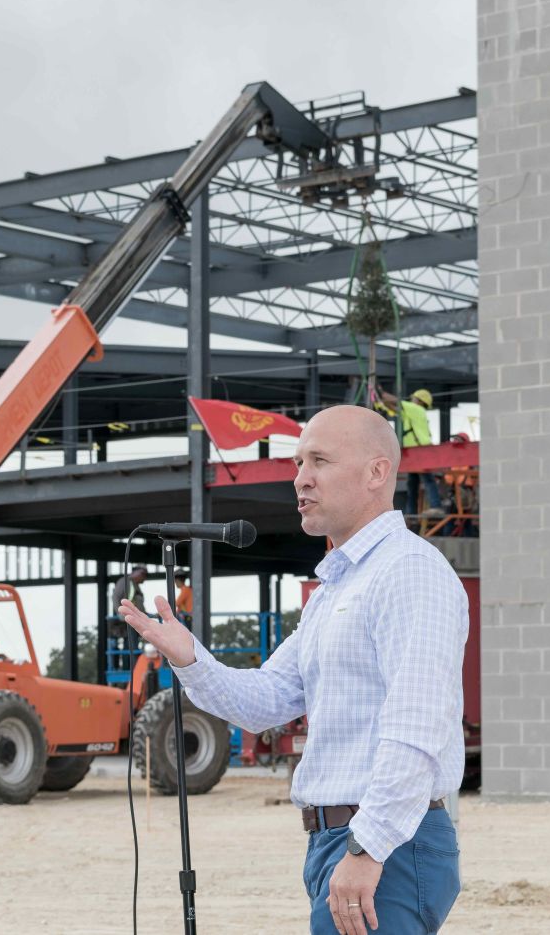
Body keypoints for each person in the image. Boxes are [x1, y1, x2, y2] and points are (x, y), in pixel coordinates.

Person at [118, 405, 466, 934]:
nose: (300, 478)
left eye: (320, 460)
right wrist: (189, 655)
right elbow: (265, 702)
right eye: (299, 462)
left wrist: (367, 847)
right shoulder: (336, 589)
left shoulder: (408, 573)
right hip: (338, 840)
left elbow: (417, 726)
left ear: (377, 472)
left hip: (387, 844)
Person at [378, 386, 443, 519]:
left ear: (419, 400)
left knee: (427, 479)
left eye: (414, 397)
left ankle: (436, 506)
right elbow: (392, 407)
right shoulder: (410, 412)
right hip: (415, 451)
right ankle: (411, 511)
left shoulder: (417, 409)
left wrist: (380, 392)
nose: (412, 399)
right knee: (412, 482)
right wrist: (381, 398)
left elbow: (395, 401)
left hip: (420, 450)